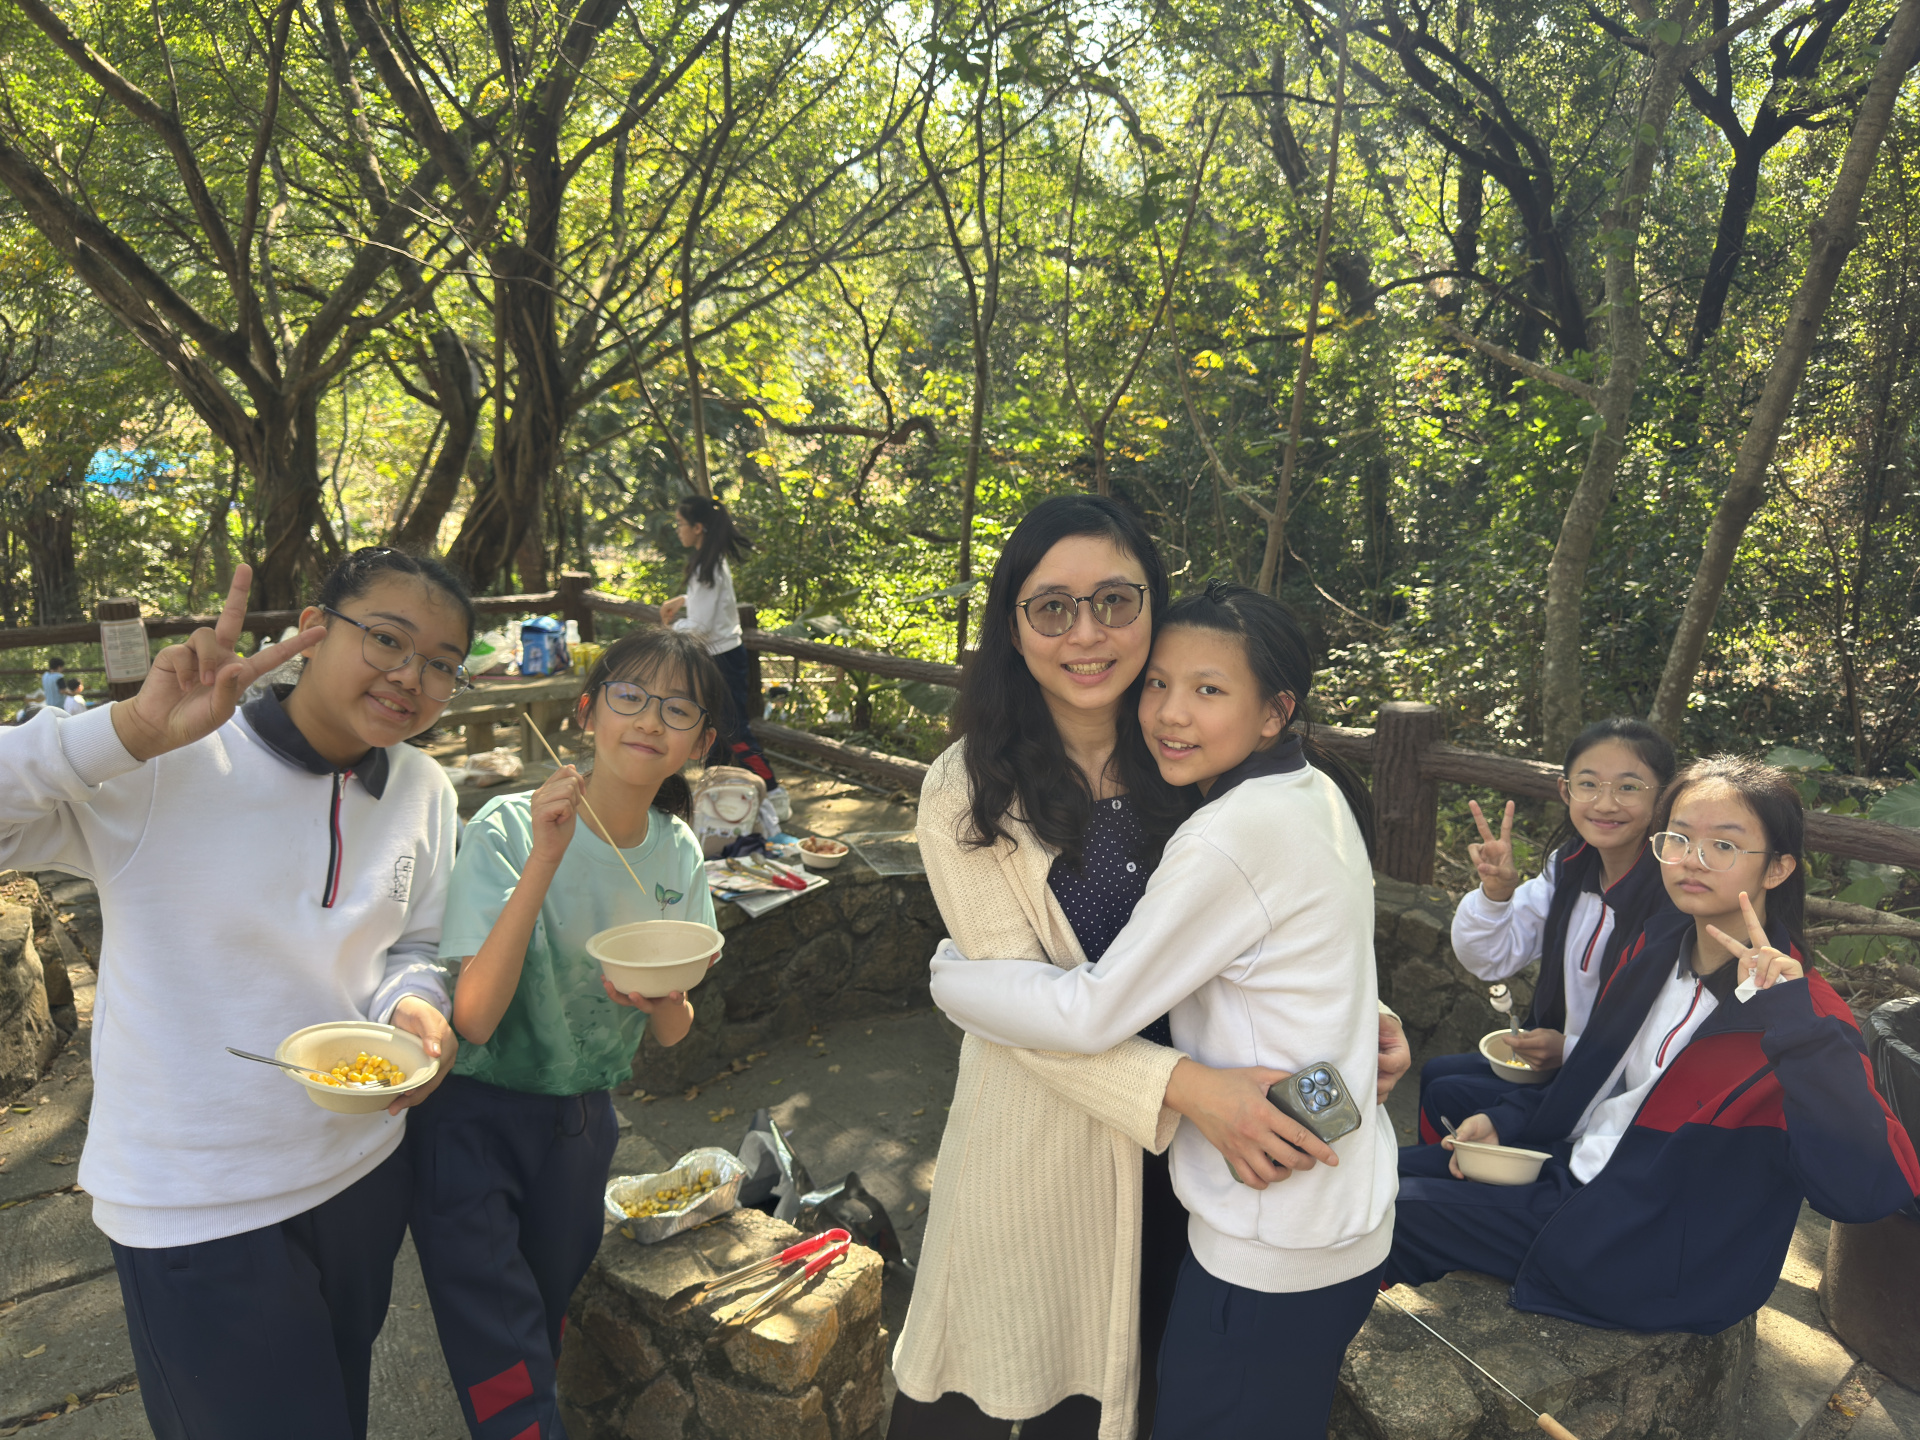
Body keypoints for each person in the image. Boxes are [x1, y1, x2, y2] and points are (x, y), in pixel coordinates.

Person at [889, 497, 1409, 1440]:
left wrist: (1356, 1013)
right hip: (1053, 1146)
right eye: (1053, 607)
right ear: (1013, 624)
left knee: (1164, 1394)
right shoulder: (970, 787)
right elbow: (1024, 1015)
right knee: (1014, 1393)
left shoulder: (1191, 752)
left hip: (1206, 1166)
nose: (1087, 633)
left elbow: (1282, 916)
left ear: (1152, 609)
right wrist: (1185, 1087)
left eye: (1115, 601)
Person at [0, 549, 474, 1440]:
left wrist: (414, 1006)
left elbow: (416, 943)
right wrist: (126, 734)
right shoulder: (167, 756)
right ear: (313, 629)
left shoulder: (423, 787)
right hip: (195, 1203)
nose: (411, 677)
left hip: (362, 1172)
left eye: (442, 663)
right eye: (388, 639)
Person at [1387, 756, 1920, 1334]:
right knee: (1370, 1174)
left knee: (1388, 1212)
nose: (1692, 859)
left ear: (1778, 868)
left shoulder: (1807, 1019)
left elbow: (1865, 1192)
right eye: (1679, 838)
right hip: (1578, 1172)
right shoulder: (1658, 944)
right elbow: (1598, 1081)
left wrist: (1796, 1030)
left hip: (1644, 1244)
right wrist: (1508, 1120)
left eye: (1724, 845)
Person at [409, 628, 719, 1439]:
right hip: (471, 1119)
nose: (649, 720)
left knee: (543, 1316)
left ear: (700, 742)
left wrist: (660, 1000)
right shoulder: (510, 827)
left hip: (582, 1121)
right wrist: (545, 858)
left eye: (677, 708)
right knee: (499, 1348)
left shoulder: (678, 852)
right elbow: (474, 1016)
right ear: (587, 712)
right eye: (630, 696)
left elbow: (675, 1028)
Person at [1417, 718, 1677, 1141]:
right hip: (1562, 1064)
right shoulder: (1570, 866)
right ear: (1565, 791)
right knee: (1438, 1074)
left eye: (1629, 787)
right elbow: (1491, 958)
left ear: (1663, 798)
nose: (1605, 804)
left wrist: (1569, 1049)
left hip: (1614, 1094)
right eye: (1588, 784)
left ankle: (1458, 1173)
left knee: (1447, 1092)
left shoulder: (1673, 896)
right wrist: (1496, 895)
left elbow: (1666, 1031)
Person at [658, 496, 783, 809]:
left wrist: (670, 629)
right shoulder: (710, 562)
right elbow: (709, 603)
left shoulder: (708, 567)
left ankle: (773, 791)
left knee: (734, 731)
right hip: (719, 657)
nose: (678, 530)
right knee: (713, 728)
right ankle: (714, 791)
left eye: (681, 524)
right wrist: (683, 600)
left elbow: (701, 625)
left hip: (722, 660)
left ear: (698, 527)